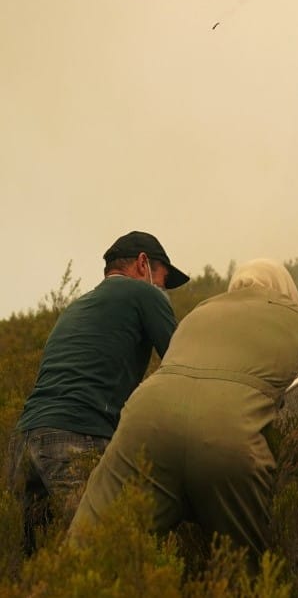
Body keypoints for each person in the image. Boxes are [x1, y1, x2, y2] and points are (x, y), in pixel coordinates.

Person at [69, 258, 298, 563]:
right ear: (285, 291)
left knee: (91, 554)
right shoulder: (291, 316)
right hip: (227, 435)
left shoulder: (200, 312)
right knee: (242, 572)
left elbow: (205, 391)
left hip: (144, 420)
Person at [6, 230, 189, 555]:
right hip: (75, 440)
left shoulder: (77, 307)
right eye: (162, 279)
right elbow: (184, 365)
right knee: (108, 555)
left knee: (37, 564)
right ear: (143, 264)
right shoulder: (144, 294)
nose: (163, 289)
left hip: (24, 443)